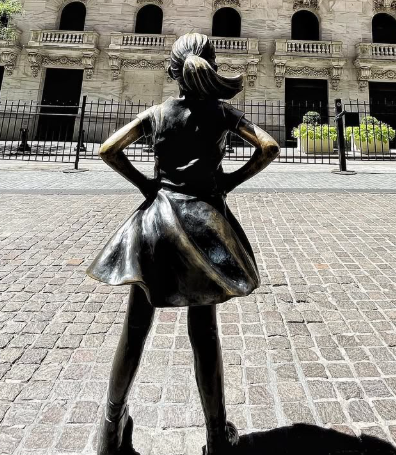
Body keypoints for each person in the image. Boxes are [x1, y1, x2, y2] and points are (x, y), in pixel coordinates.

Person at [89, 33, 280, 455]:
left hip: (155, 224)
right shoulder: (221, 113)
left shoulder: (157, 112)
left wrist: (148, 186)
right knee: (205, 333)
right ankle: (215, 438)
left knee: (135, 330)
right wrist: (227, 182)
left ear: (172, 71)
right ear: (209, 68)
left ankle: (110, 429)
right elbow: (267, 147)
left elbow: (107, 149)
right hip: (203, 226)